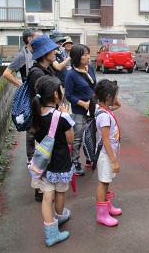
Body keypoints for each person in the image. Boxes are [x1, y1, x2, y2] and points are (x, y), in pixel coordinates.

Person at [30, 75, 75, 247]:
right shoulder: (61, 117)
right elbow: (70, 141)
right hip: (60, 163)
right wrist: (67, 117)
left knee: (47, 197)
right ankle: (60, 215)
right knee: (60, 193)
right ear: (56, 96)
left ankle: (51, 235)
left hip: (43, 163)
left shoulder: (35, 113)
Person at [28, 34, 60, 201]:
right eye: (51, 49)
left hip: (47, 119)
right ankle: (41, 191)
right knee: (41, 154)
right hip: (42, 121)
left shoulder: (46, 69)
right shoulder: (36, 73)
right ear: (43, 52)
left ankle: (46, 189)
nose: (55, 51)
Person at [2, 28, 39, 165]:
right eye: (37, 37)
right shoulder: (22, 55)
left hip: (41, 94)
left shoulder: (38, 52)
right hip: (30, 96)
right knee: (31, 129)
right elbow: (6, 73)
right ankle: (31, 160)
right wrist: (21, 85)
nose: (39, 39)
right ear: (30, 39)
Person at [64, 44, 96, 176]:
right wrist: (83, 104)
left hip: (92, 109)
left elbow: (94, 86)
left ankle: (90, 157)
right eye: (85, 54)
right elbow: (69, 95)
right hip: (79, 110)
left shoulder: (90, 69)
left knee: (91, 135)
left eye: (88, 53)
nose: (88, 57)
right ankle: (75, 162)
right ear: (77, 57)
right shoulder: (71, 74)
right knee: (77, 137)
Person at [94, 79, 122, 226]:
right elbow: (105, 140)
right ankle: (102, 214)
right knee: (103, 183)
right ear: (109, 98)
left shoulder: (104, 109)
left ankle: (107, 206)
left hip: (108, 153)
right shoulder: (104, 115)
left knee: (107, 181)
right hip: (106, 155)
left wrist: (113, 95)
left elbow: (119, 105)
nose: (117, 98)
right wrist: (113, 161)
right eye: (116, 95)